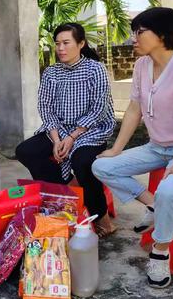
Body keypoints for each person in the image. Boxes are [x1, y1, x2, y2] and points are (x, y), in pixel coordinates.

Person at [92, 7, 173, 288]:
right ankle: (152, 205)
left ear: (163, 35)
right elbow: (133, 110)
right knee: (101, 165)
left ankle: (160, 251)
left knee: (169, 189)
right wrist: (116, 149)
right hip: (156, 147)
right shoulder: (142, 66)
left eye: (140, 32)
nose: (133, 39)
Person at [15, 23, 116, 237]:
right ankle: (67, 189)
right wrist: (56, 137)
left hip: (91, 129)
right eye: (57, 43)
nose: (60, 48)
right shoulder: (52, 72)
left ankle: (103, 219)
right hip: (59, 129)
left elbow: (99, 109)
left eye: (66, 43)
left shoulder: (95, 69)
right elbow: (45, 106)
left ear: (81, 44)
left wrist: (71, 137)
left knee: (82, 162)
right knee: (26, 151)